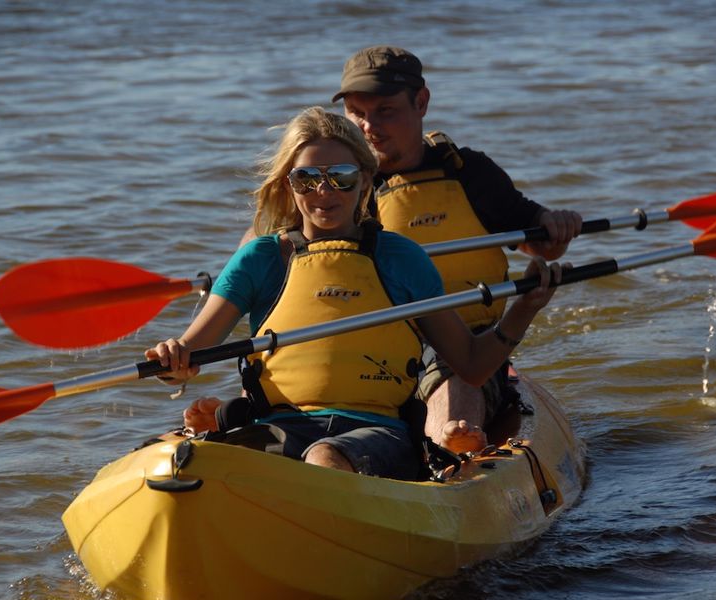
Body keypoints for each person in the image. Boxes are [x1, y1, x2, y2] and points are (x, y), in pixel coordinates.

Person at [148, 107, 565, 480]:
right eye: (306, 179)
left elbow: (471, 366)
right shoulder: (260, 258)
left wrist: (525, 308)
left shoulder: (402, 258)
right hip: (277, 427)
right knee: (180, 460)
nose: (324, 192)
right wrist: (173, 360)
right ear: (288, 184)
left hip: (377, 434)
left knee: (324, 456)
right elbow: (191, 351)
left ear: (365, 180)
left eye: (341, 178)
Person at [331, 46, 583, 454]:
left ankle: (452, 453)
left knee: (455, 373)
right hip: (372, 348)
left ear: (421, 102)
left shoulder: (469, 173)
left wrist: (557, 224)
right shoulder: (335, 184)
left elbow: (541, 243)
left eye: (385, 111)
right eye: (357, 113)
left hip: (466, 345)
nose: (368, 127)